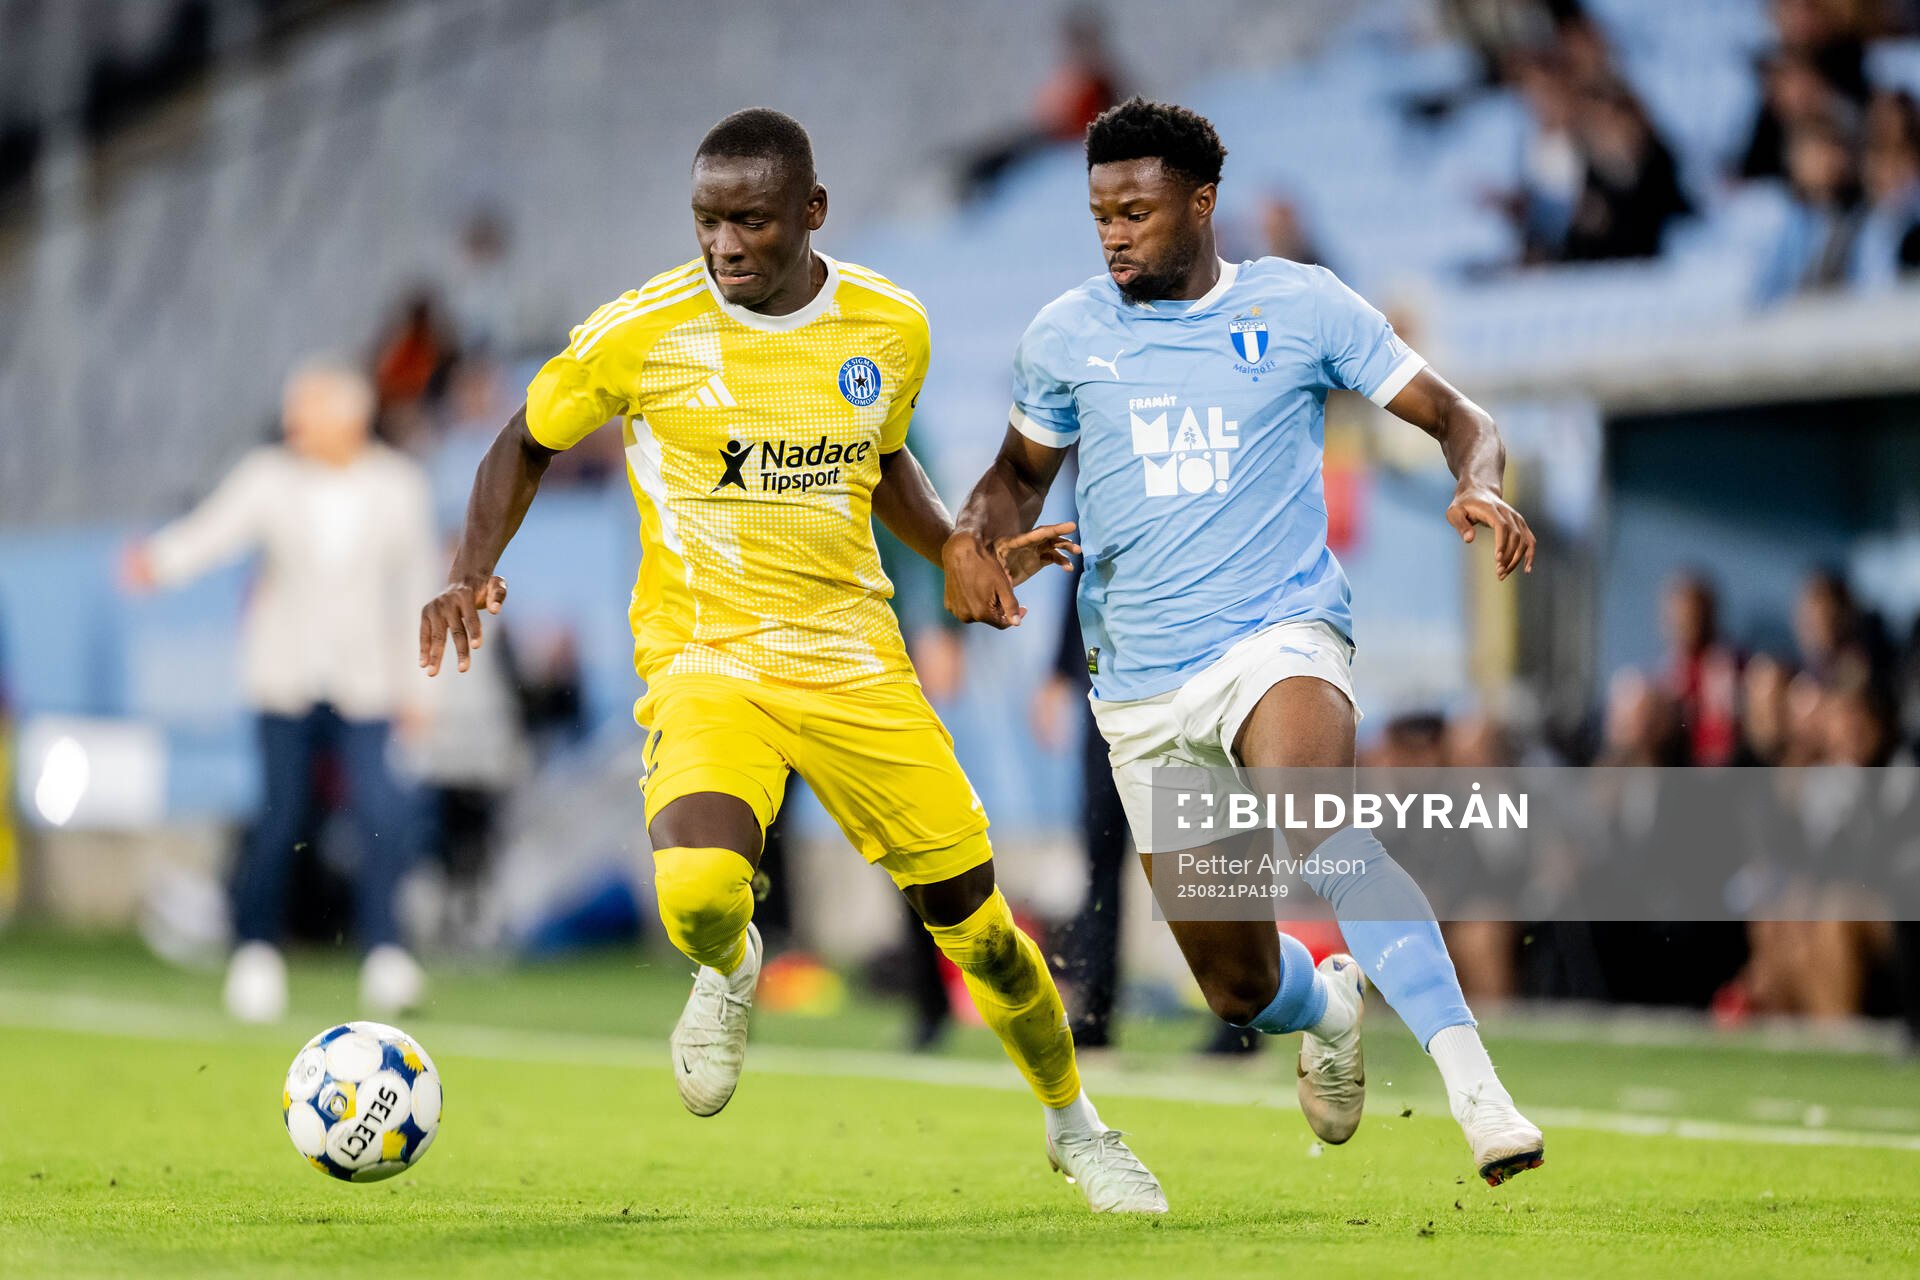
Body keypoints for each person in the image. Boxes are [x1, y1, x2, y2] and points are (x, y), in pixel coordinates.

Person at [419, 108, 1165, 1213]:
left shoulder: (886, 326)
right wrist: (468, 565)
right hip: (707, 657)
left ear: (811, 214)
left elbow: (885, 464)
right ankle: (729, 967)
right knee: (700, 887)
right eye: (708, 221)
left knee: (986, 934)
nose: (724, 245)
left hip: (856, 662)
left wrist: (961, 546)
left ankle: (1076, 1123)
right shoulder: (644, 331)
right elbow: (524, 439)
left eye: (751, 221)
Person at [943, 98, 1545, 1187]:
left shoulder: (1300, 305)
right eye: (1099, 215)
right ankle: (1324, 1001)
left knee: (1321, 824)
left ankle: (1479, 1091)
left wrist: (1479, 482)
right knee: (1235, 985)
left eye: (1136, 209)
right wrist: (973, 539)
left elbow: (1464, 417)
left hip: (1279, 633)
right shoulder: (1068, 333)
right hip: (1140, 681)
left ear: (1202, 201)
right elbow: (1012, 478)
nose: (1114, 232)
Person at [122, 360, 437, 1022]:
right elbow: (214, 531)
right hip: (284, 677)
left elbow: (417, 587)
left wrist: (420, 685)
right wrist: (158, 562)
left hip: (367, 683)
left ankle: (387, 956)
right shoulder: (269, 478)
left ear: (347, 418)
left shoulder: (398, 487)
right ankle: (255, 954)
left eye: (308, 412)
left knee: (382, 815)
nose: (294, 425)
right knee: (280, 817)